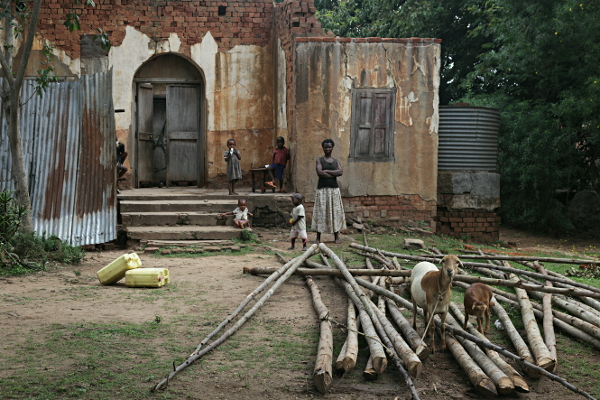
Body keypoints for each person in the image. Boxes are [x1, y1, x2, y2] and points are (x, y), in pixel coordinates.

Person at [312, 139, 346, 244]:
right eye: (325, 147)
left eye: (329, 147)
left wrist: (326, 171)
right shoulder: (319, 160)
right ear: (323, 148)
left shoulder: (336, 161)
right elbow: (319, 172)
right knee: (321, 212)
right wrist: (333, 173)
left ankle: (336, 237)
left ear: (332, 148)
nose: (327, 149)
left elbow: (340, 172)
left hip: (334, 190)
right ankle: (318, 238)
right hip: (322, 190)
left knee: (335, 212)